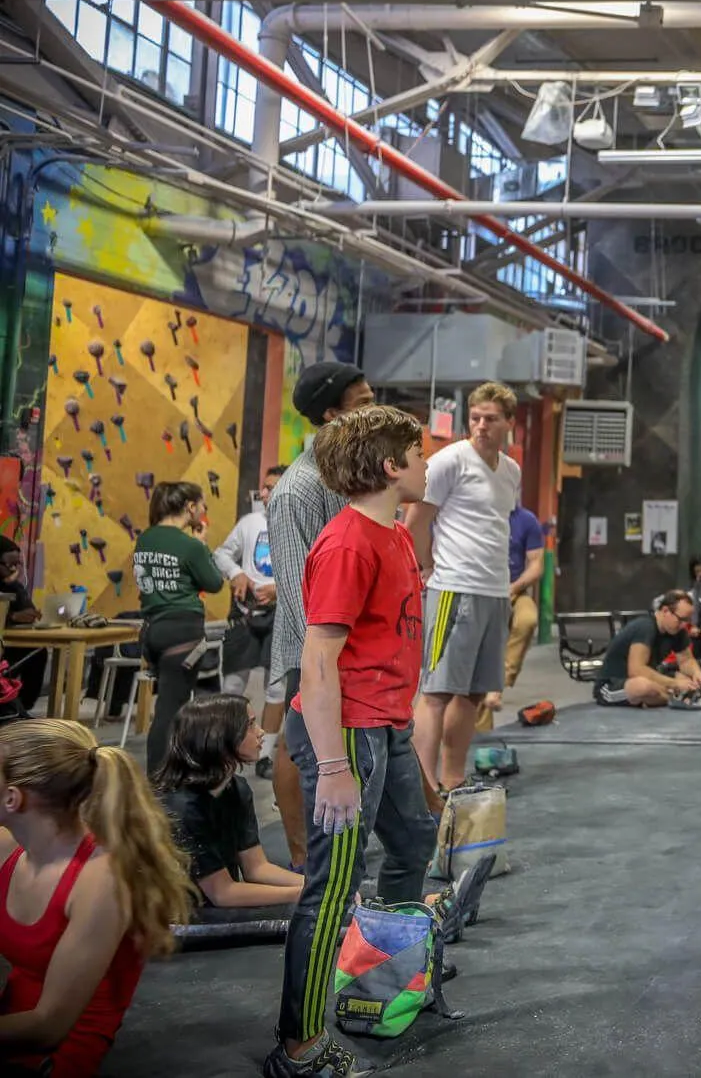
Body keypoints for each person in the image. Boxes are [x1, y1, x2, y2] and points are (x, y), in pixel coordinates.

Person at [269, 404, 437, 1078]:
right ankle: (299, 1046)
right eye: (418, 454)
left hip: (385, 726)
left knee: (414, 840)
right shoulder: (346, 544)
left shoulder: (393, 534)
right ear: (392, 467)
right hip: (347, 734)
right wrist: (335, 764)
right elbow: (317, 660)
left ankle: (384, 980)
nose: (426, 464)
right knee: (332, 887)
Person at [0, 718, 190, 1074]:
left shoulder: (102, 880)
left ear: (13, 798)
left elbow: (48, 1026)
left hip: (60, 1043)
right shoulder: (10, 844)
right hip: (15, 1011)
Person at [266, 361, 376, 865]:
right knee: (298, 740)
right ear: (332, 415)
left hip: (346, 640)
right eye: (363, 403)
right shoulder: (298, 490)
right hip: (310, 645)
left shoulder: (347, 477)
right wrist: (327, 649)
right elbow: (295, 589)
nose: (374, 409)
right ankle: (299, 857)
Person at [407, 381, 521, 794]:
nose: (481, 426)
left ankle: (452, 777)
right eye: (475, 418)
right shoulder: (449, 461)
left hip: (494, 591)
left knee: (473, 693)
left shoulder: (511, 471)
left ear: (509, 422)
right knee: (437, 690)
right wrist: (423, 567)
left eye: (490, 419)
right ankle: (421, 784)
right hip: (453, 586)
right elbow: (416, 520)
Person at [151, 694, 302, 917]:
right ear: (218, 737)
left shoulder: (236, 788)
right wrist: (304, 893)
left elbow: (256, 868)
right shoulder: (181, 808)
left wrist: (319, 886)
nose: (261, 732)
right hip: (179, 917)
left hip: (215, 904)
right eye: (250, 725)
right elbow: (222, 893)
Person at [131, 481, 228, 770]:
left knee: (170, 705)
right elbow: (213, 583)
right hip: (183, 632)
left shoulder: (145, 539)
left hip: (153, 631)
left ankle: (174, 771)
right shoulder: (189, 546)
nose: (204, 511)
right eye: (203, 506)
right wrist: (202, 545)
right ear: (190, 507)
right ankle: (160, 781)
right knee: (172, 711)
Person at [213, 464, 285, 699]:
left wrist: (280, 590)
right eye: (263, 488)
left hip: (281, 616)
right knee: (232, 685)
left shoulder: (300, 525)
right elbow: (221, 554)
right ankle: (230, 736)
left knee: (275, 688)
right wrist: (236, 573)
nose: (262, 494)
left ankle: (268, 738)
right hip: (245, 612)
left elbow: (311, 573)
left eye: (269, 488)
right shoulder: (249, 522)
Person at [474, 506, 544, 733]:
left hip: (514, 591)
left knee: (527, 619)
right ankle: (480, 740)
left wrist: (514, 587)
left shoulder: (526, 519)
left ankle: (500, 684)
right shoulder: (477, 515)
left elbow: (536, 564)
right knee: (481, 663)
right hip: (481, 593)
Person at [593, 594, 701, 708]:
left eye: (687, 620)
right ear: (665, 611)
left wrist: (697, 673)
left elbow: (686, 660)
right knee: (643, 687)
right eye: (681, 619)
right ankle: (673, 696)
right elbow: (636, 670)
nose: (684, 625)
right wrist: (675, 684)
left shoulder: (677, 630)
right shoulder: (645, 627)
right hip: (612, 685)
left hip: (645, 678)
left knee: (682, 679)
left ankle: (666, 696)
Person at [0, 538, 46, 718]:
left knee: (38, 651)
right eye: (9, 564)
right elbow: (12, 615)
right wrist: (11, 617)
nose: (13, 569)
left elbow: (26, 609)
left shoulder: (15, 586)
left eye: (16, 564)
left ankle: (22, 707)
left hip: (10, 646)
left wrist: (30, 614)